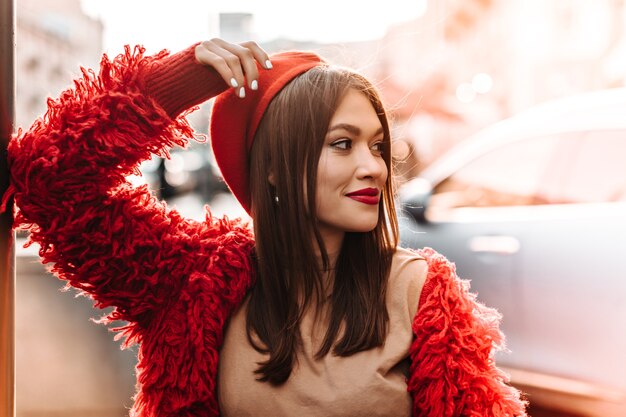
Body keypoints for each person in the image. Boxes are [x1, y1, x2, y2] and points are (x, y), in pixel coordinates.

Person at [3, 38, 527, 416]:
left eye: (378, 146)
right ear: (274, 166)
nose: (374, 167)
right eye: (343, 144)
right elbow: (50, 182)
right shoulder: (193, 281)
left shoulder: (422, 292)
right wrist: (175, 83)